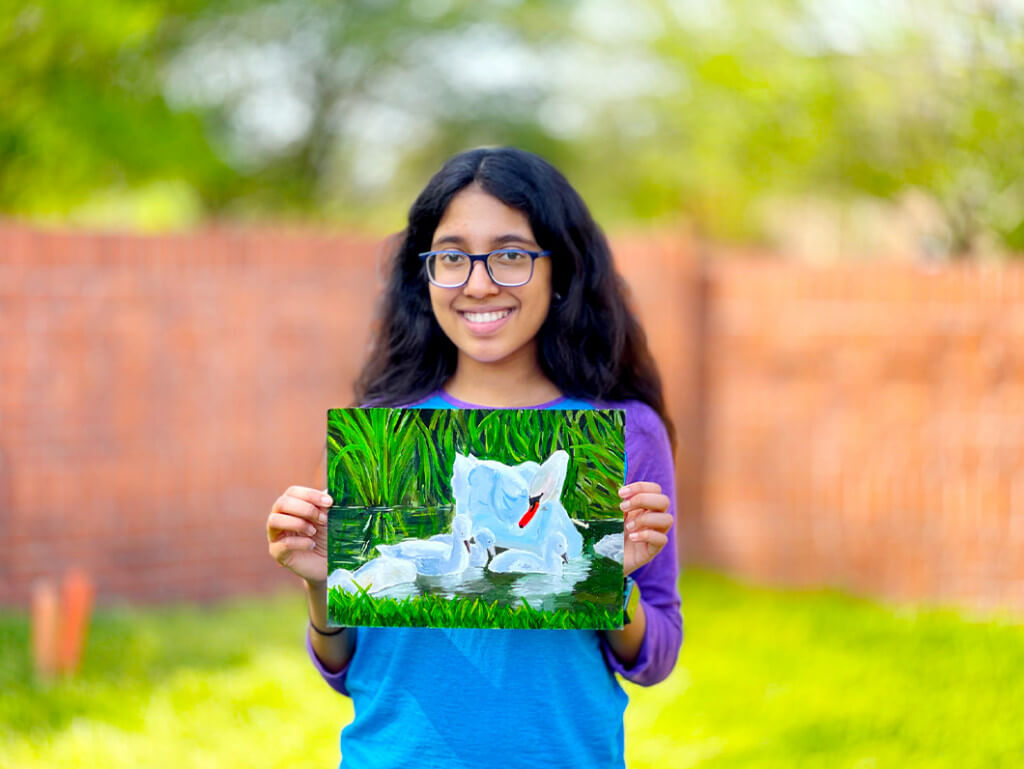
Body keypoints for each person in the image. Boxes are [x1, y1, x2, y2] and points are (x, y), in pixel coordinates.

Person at [266, 147, 682, 768]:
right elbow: (344, 667)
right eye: (453, 257)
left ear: (559, 270)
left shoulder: (624, 432)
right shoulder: (383, 435)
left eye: (511, 255)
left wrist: (607, 581)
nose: (478, 282)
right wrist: (321, 584)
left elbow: (656, 658)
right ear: (425, 273)